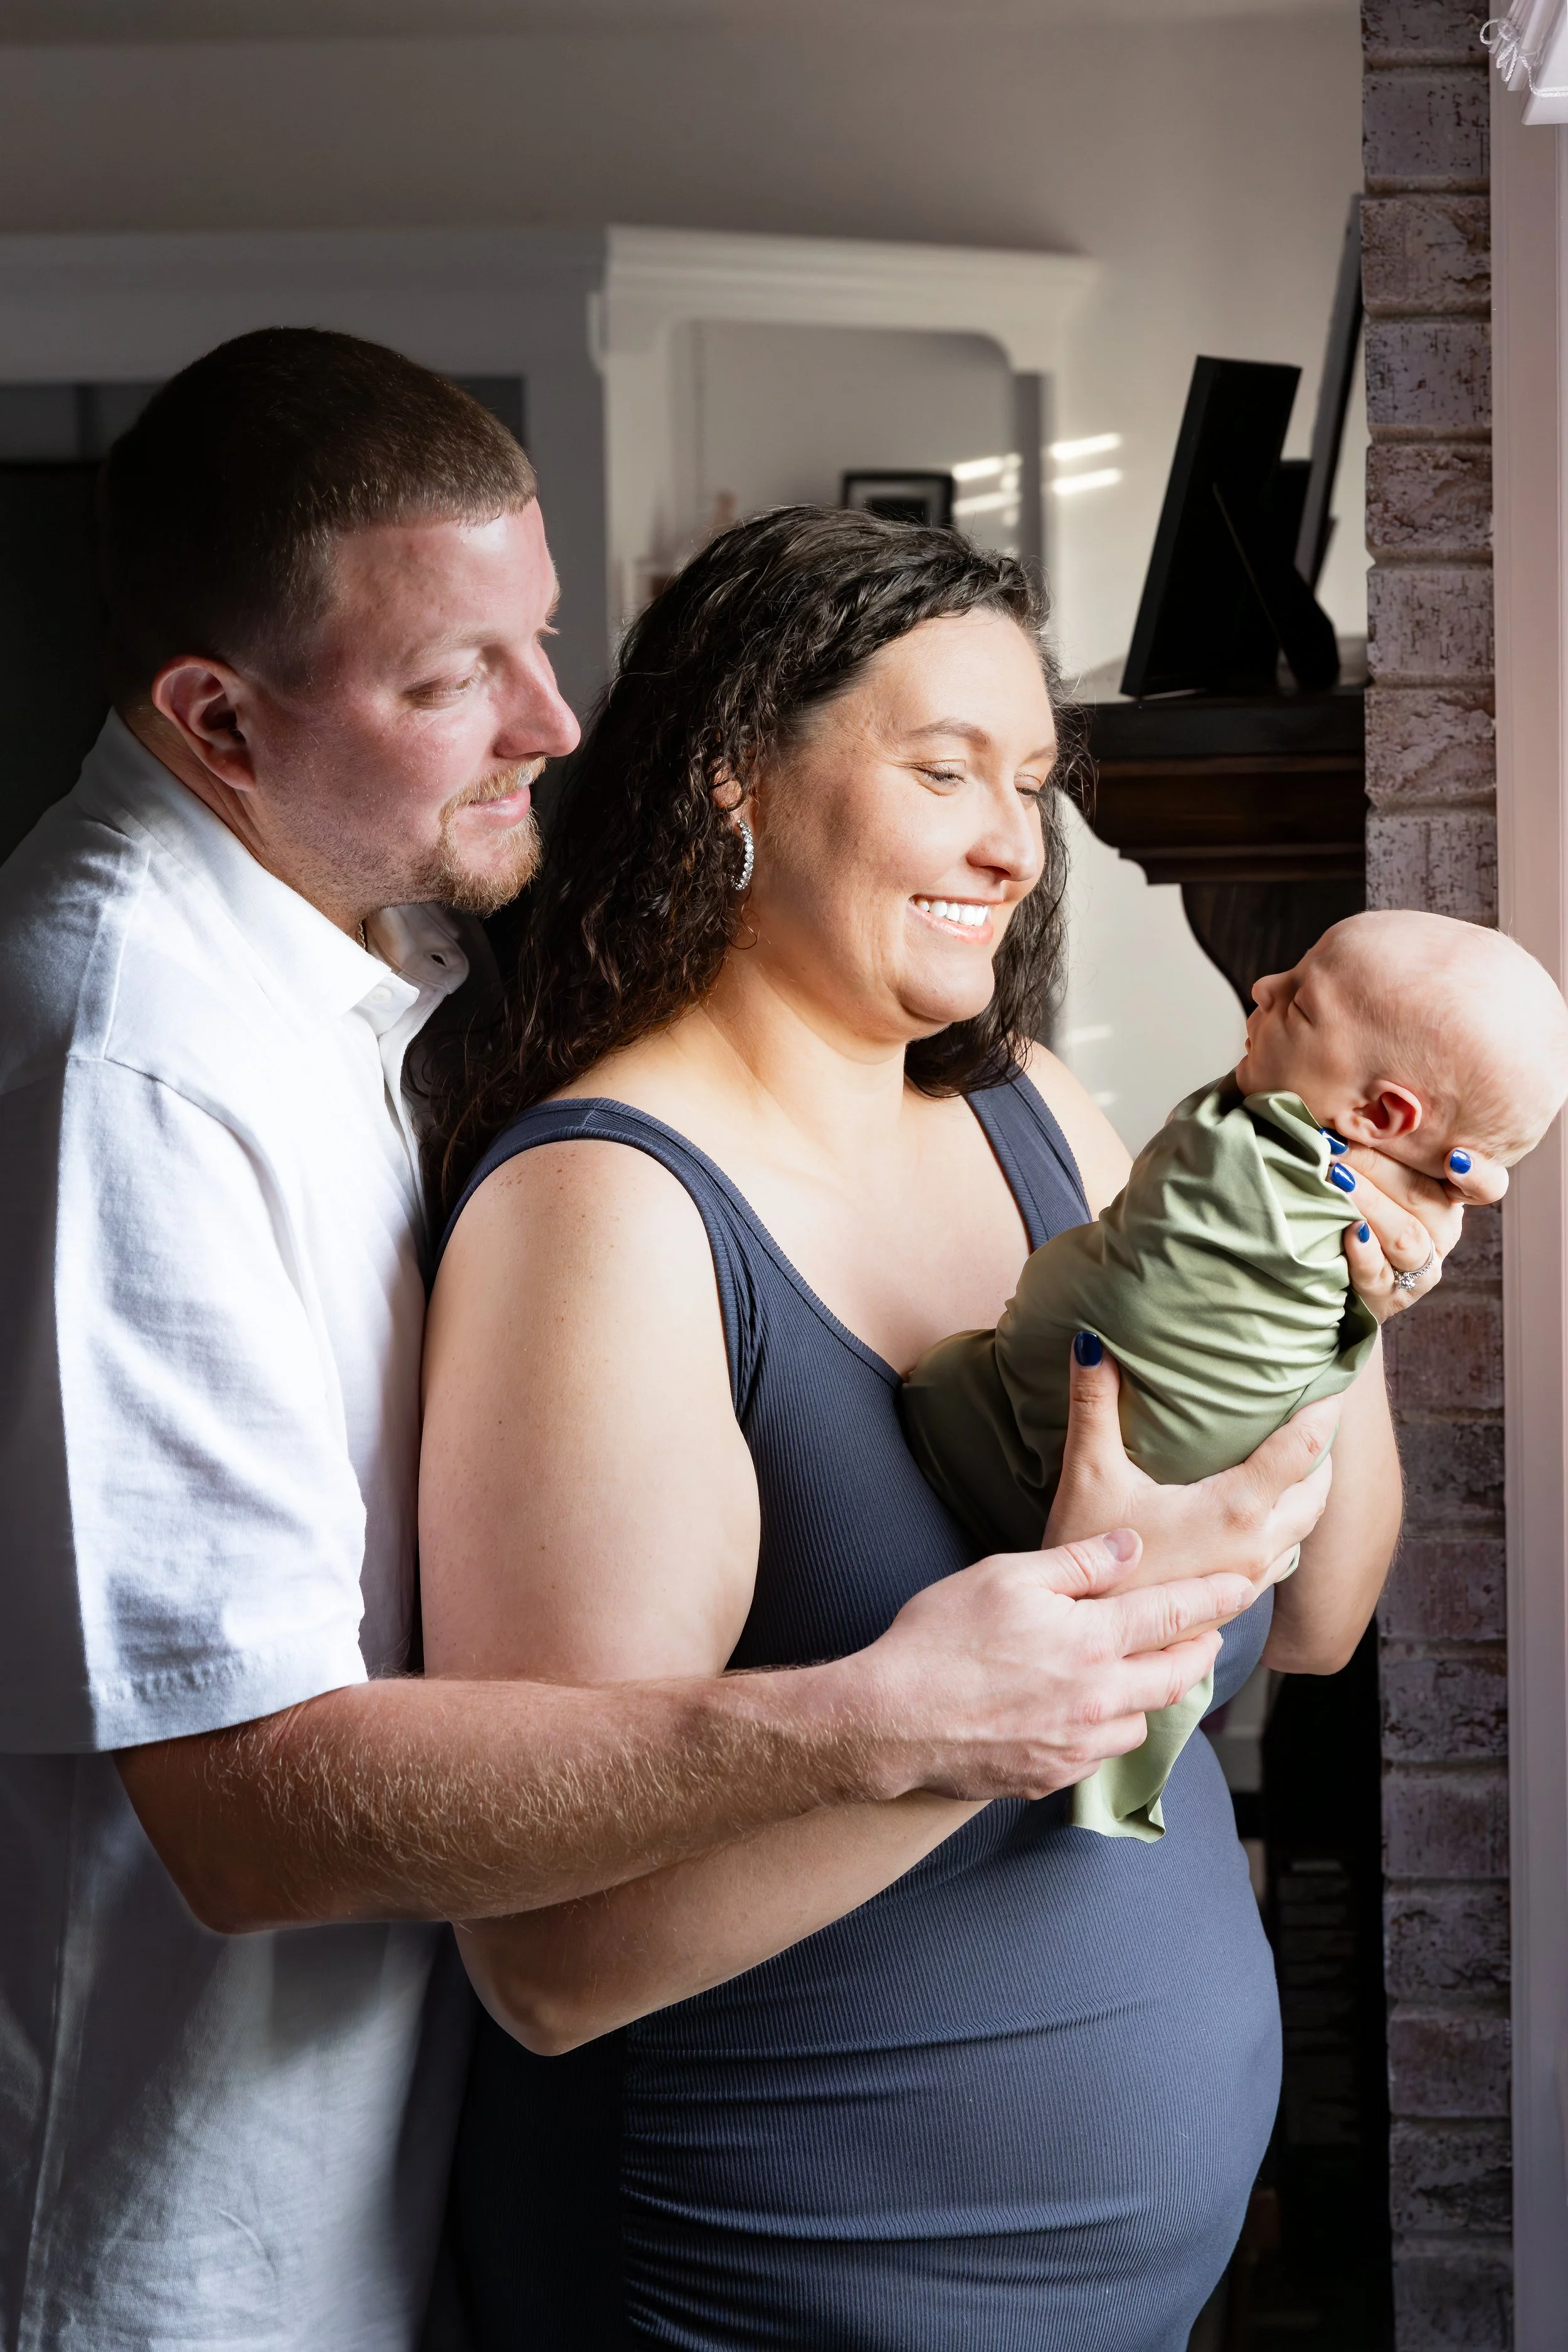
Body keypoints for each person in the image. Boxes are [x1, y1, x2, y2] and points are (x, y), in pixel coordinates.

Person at [0, 332, 1295, 2352]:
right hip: (204, 2242)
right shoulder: (130, 1059)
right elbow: (244, 1809)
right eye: (454, 678)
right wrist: (907, 1716)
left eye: (538, 636)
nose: (550, 716)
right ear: (215, 718)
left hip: (397, 2176)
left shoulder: (389, 935)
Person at [420, 507, 1468, 2351]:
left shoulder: (1039, 1118)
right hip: (752, 2291)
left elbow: (1305, 1622)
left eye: (1035, 780)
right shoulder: (609, 1214)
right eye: (944, 770)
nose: (1010, 839)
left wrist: (1336, 1279)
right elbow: (553, 1962)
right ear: (735, 765)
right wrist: (1004, 1699)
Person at [903, 908, 1568, 1839]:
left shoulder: (1087, 1109)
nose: (1262, 989)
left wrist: (1359, 1299)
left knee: (944, 1391)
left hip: (1199, 1932)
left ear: (1384, 1114)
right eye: (942, 770)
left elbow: (1318, 1633)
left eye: (1299, 1002)